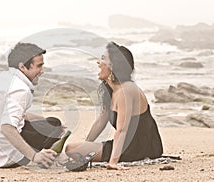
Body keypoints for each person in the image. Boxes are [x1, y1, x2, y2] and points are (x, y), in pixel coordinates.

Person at [65, 42, 163, 170]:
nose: (98, 62)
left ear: (114, 66)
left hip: (139, 147)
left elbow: (122, 129)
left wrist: (113, 162)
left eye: (103, 59)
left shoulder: (126, 90)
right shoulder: (111, 91)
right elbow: (101, 121)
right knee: (72, 149)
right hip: (124, 144)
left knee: (71, 149)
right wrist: (86, 145)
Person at [0, 42, 64, 168]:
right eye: (39, 66)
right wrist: (34, 157)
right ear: (22, 67)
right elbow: (7, 127)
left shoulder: (1, 79)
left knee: (50, 122)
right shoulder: (20, 89)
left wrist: (44, 120)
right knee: (54, 125)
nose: (42, 71)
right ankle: (44, 154)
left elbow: (17, 115)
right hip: (2, 156)